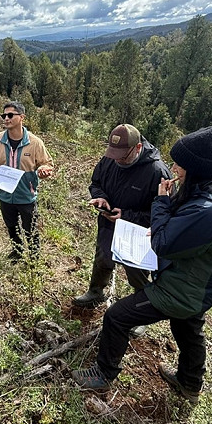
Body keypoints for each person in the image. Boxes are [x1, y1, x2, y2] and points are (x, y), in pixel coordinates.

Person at [72, 126, 212, 403]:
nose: (174, 169)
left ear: (196, 168)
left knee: (117, 317)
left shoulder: (207, 210)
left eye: (179, 164)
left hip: (182, 288)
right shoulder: (206, 192)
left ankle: (102, 374)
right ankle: (189, 384)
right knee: (188, 330)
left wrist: (160, 201)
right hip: (194, 281)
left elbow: (163, 242)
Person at [72, 124, 170, 310]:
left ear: (138, 148)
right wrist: (100, 197)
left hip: (139, 234)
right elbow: (96, 182)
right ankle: (95, 292)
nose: (117, 160)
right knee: (103, 257)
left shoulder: (157, 172)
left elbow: (163, 213)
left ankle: (141, 309)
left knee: (137, 273)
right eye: (113, 154)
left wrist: (126, 216)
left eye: (123, 156)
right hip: (108, 225)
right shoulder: (109, 160)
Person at [0, 101, 54, 261]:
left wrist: (44, 171)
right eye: (4, 115)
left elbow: (47, 163)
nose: (6, 118)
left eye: (10, 115)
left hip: (26, 195)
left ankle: (34, 259)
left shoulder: (35, 142)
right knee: (12, 227)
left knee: (31, 229)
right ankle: (18, 252)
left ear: (22, 117)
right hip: (5, 195)